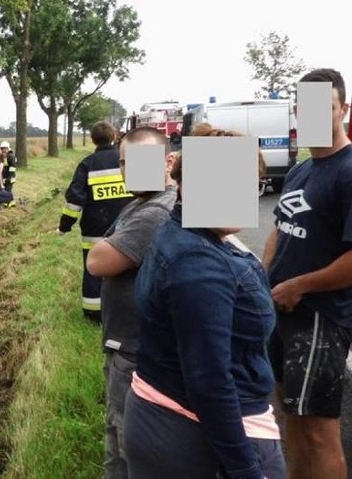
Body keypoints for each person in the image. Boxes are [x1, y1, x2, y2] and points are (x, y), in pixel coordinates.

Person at [122, 127, 285, 479]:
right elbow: (210, 381)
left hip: (166, 413)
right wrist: (246, 469)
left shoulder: (192, 237)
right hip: (191, 432)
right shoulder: (199, 265)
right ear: (187, 184)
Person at [263, 68, 352, 479]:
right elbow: (279, 232)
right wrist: (261, 284)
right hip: (282, 313)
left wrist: (300, 286)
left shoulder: (348, 171)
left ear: (344, 110)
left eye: (326, 108)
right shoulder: (301, 169)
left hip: (321, 318)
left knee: (319, 433)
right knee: (289, 417)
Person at [85, 126, 179, 479]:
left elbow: (98, 262)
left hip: (135, 351)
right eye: (124, 163)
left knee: (128, 445)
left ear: (168, 161)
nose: (128, 171)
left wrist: (108, 244)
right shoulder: (141, 202)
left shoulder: (155, 212)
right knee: (116, 431)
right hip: (124, 342)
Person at [58, 121, 134, 323]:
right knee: (129, 269)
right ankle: (126, 311)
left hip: (94, 229)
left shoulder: (87, 164)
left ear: (93, 140)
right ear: (114, 136)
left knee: (93, 269)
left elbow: (74, 201)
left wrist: (64, 226)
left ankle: (93, 313)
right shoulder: (131, 159)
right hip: (128, 226)